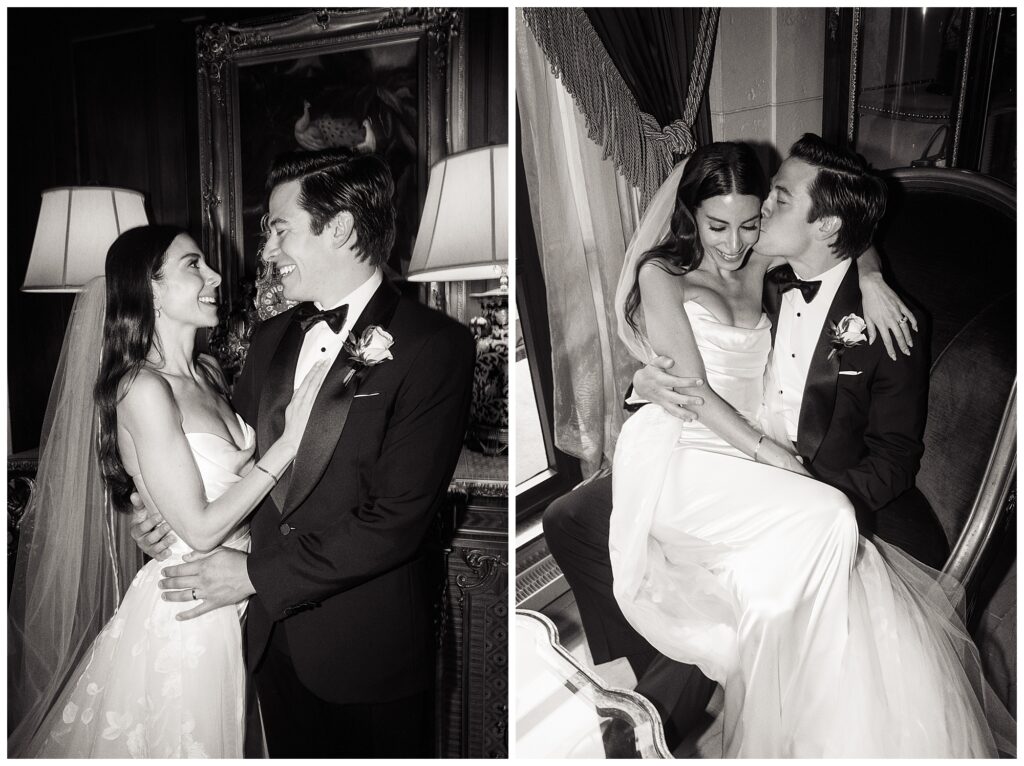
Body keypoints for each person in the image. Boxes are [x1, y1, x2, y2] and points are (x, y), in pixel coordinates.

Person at [607, 137, 1008, 756]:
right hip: (690, 450)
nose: (742, 236)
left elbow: (846, 238)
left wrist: (871, 276)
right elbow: (689, 385)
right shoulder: (670, 272)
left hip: (764, 468)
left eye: (762, 211)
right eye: (720, 224)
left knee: (778, 592)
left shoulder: (768, 266)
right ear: (689, 213)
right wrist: (761, 450)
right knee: (831, 517)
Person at [137, 148, 476, 757]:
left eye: (279, 228)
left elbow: (395, 521)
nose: (266, 250)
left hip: (364, 650)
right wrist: (160, 513)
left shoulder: (435, 347)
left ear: (340, 228)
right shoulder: (271, 338)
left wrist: (252, 574)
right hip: (263, 642)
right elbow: (235, 458)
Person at [7, 225, 328, 757]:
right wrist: (290, 444)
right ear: (149, 288)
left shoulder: (207, 373)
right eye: (193, 266)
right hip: (191, 611)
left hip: (244, 598)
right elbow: (199, 526)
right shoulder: (139, 387)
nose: (215, 276)